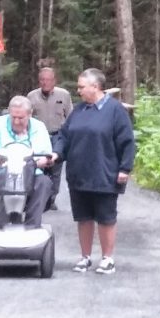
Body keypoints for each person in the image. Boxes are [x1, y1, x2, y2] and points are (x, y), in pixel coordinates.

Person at [51, 68, 135, 275]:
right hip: (79, 173)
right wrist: (55, 154)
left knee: (106, 217)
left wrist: (125, 168)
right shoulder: (79, 110)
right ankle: (85, 257)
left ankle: (107, 258)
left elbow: (127, 141)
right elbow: (64, 136)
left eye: (81, 87)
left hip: (105, 173)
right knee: (83, 217)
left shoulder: (116, 111)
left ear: (95, 87)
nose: (78, 91)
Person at [0, 95, 53, 228]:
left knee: (44, 183)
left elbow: (45, 155)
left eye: (21, 118)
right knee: (7, 181)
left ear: (30, 115)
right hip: (0, 171)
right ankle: (4, 225)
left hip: (29, 171)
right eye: (13, 117)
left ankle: (32, 226)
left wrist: (41, 161)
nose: (16, 122)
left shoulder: (38, 127)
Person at [27, 67, 73, 211]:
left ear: (54, 81)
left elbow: (70, 116)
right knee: (38, 166)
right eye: (42, 79)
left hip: (57, 135)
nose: (45, 82)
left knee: (56, 169)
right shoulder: (32, 96)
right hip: (38, 136)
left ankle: (51, 198)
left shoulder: (63, 95)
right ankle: (37, 196)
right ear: (39, 81)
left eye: (48, 80)